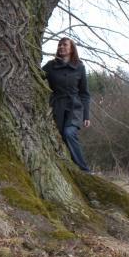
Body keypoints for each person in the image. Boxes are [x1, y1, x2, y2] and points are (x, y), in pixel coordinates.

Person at [41, 37, 92, 173]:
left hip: (74, 107)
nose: (61, 47)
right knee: (59, 137)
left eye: (65, 45)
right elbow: (37, 75)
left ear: (71, 49)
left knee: (69, 133)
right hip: (57, 106)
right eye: (59, 45)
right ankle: (66, 169)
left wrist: (86, 116)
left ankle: (84, 170)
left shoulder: (80, 67)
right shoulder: (51, 66)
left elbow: (85, 94)